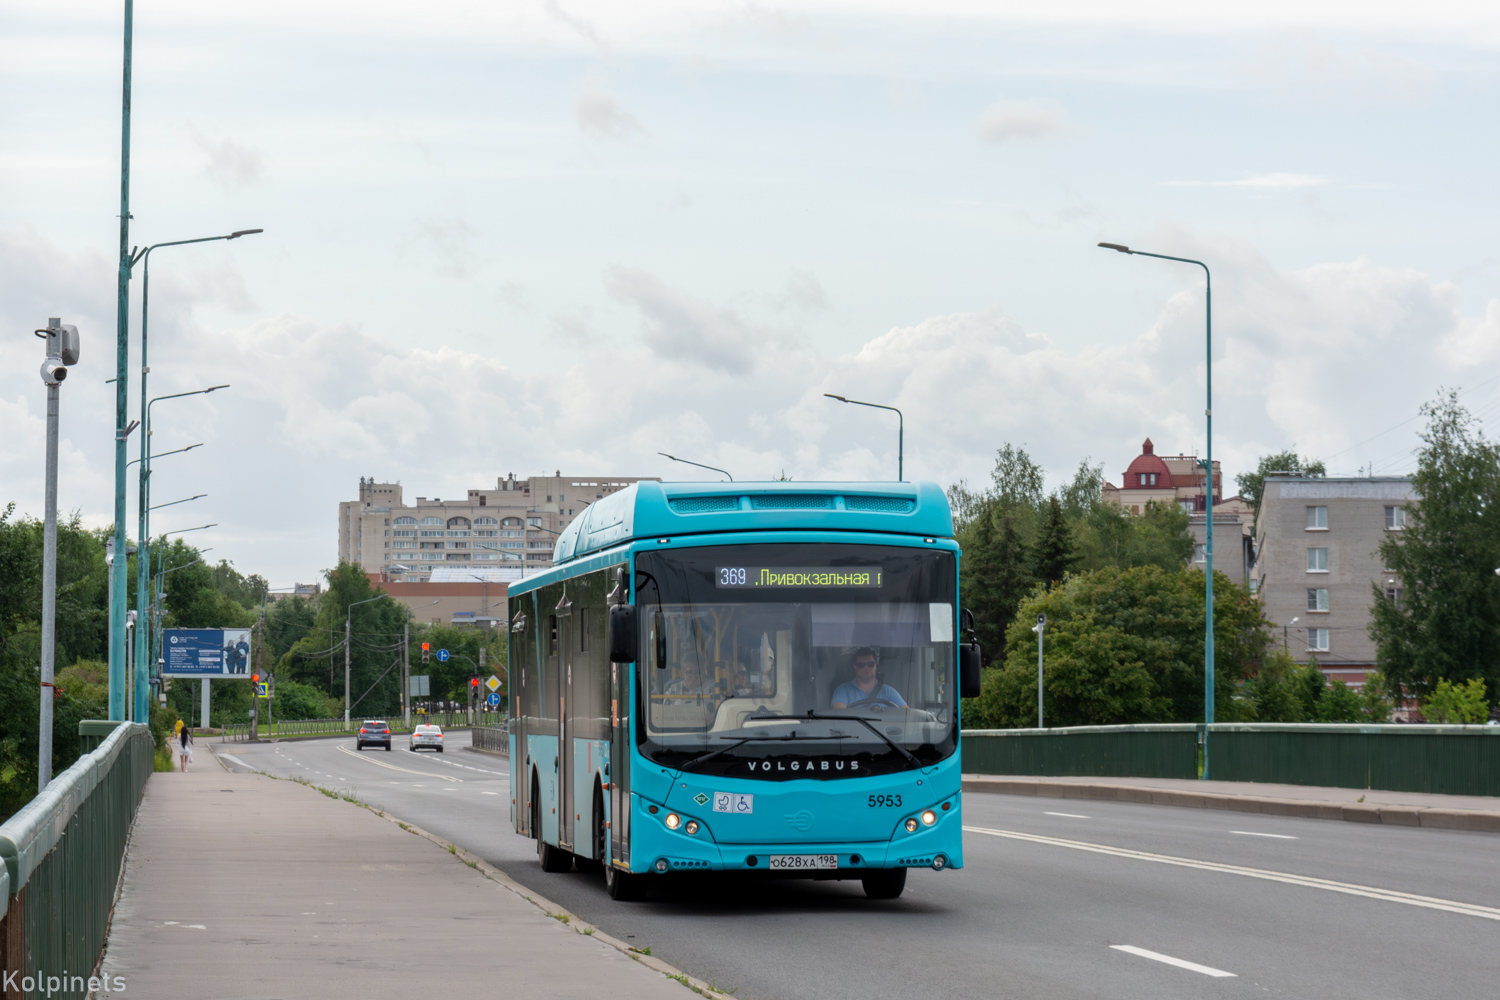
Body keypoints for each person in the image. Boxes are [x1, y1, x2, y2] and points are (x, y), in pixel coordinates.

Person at [830, 647, 906, 709]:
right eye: (861, 665)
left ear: (876, 664)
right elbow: (839, 712)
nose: (866, 668)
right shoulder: (843, 690)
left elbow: (906, 713)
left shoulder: (889, 692)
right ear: (855, 666)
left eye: (870, 664)